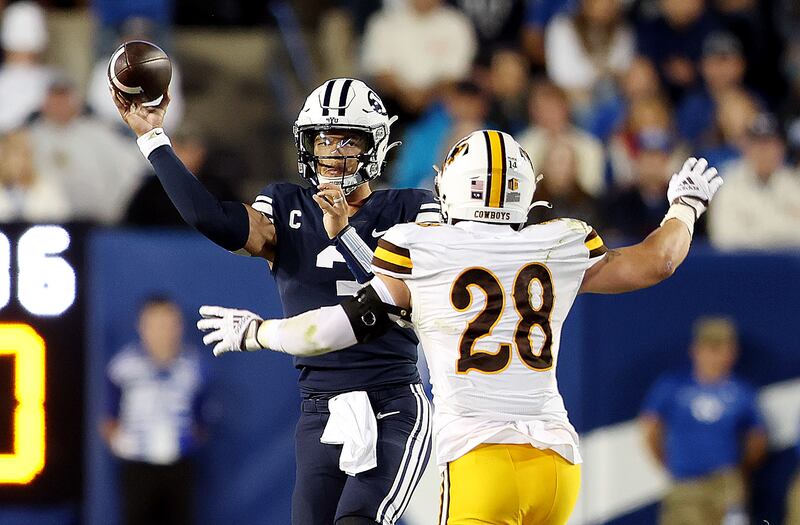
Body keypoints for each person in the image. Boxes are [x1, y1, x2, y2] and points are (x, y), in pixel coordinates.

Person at [196, 130, 724, 524]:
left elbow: (339, 326)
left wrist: (259, 332)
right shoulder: (560, 240)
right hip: (559, 465)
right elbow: (658, 261)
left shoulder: (421, 246)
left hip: (479, 459)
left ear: (450, 187)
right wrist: (686, 205)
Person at [111, 78, 439, 525]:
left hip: (393, 402)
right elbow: (213, 220)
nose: (333, 153)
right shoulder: (286, 206)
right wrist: (152, 139)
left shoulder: (411, 207)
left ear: (375, 146)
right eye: (323, 140)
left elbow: (400, 295)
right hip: (319, 406)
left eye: (348, 140)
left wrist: (345, 234)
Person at [639, 317, 768, 525]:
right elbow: (650, 428)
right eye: (712, 347)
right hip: (686, 484)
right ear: (696, 349)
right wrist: (670, 463)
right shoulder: (672, 386)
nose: (718, 356)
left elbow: (757, 438)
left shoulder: (741, 391)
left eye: (725, 348)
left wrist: (737, 470)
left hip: (726, 486)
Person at [101, 295, 207, 525]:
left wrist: (187, 443)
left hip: (179, 467)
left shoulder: (194, 368)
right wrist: (121, 443)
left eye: (168, 324)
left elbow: (200, 419)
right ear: (142, 327)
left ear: (179, 326)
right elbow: (109, 418)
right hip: (137, 468)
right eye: (156, 325)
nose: (162, 332)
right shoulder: (123, 367)